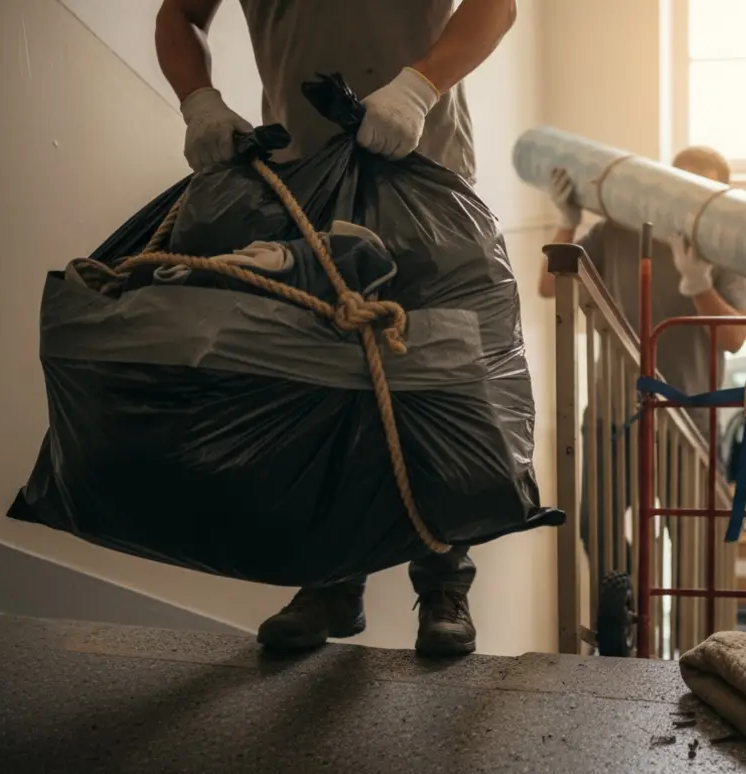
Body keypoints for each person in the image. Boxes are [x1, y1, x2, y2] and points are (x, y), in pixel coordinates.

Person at [154, 0, 519, 656]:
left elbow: (497, 5)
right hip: (301, 184)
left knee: (434, 381)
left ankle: (443, 582)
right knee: (321, 383)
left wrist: (419, 85)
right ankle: (330, 581)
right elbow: (180, 14)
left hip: (424, 168)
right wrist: (199, 101)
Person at [536, 147, 746, 573]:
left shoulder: (728, 248)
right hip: (612, 416)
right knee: (596, 532)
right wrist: (567, 222)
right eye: (683, 186)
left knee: (694, 543)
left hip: (689, 423)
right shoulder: (619, 230)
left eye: (706, 190)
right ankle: (628, 618)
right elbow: (549, 285)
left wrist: (699, 284)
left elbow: (734, 339)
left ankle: (690, 636)